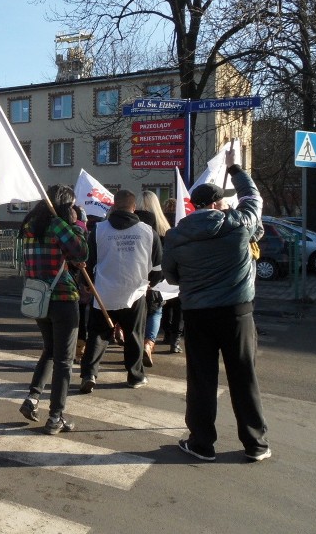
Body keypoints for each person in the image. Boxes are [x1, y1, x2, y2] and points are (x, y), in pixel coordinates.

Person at [163, 150, 271, 462]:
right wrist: (235, 169)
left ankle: (202, 443)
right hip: (237, 313)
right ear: (215, 203)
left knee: (201, 379)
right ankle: (256, 444)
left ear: (194, 205)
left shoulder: (176, 235)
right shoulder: (239, 224)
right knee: (243, 376)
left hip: (197, 314)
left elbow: (170, 274)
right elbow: (253, 197)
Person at [18, 186, 89, 434]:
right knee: (64, 361)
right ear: (65, 205)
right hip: (62, 299)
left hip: (38, 299)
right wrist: (78, 225)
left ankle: (32, 398)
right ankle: (55, 417)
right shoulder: (59, 225)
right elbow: (82, 250)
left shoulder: (29, 226)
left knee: (49, 350)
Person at [80, 189, 162, 392]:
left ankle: (89, 374)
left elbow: (89, 263)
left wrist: (89, 285)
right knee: (134, 335)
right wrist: (149, 282)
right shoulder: (148, 232)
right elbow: (159, 268)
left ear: (114, 206)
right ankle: (135, 376)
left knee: (98, 335)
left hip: (104, 292)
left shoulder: (98, 230)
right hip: (135, 292)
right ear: (134, 208)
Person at [135, 191, 172, 367]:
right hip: (156, 275)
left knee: (133, 310)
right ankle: (149, 344)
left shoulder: (132, 223)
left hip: (134, 273)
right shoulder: (163, 227)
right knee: (156, 310)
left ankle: (132, 342)